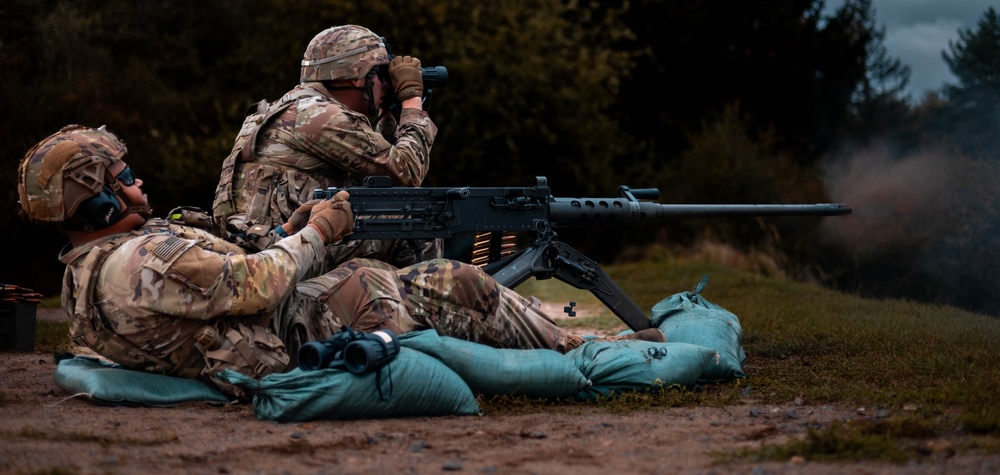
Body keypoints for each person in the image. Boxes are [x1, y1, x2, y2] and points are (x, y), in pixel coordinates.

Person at [17, 125, 664, 398]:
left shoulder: (85, 270)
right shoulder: (142, 256)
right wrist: (321, 230)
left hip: (265, 333)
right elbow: (253, 285)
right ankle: (589, 353)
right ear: (95, 197)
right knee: (449, 283)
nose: (136, 182)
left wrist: (282, 230)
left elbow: (223, 273)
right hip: (291, 336)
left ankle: (561, 334)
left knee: (387, 280)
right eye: (120, 175)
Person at [212, 24, 440, 268]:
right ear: (358, 76)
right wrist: (412, 100)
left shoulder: (293, 108)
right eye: (381, 74)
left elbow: (377, 170)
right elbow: (407, 171)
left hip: (259, 242)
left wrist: (387, 113)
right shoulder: (323, 116)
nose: (386, 84)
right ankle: (417, 304)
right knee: (420, 223)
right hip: (279, 252)